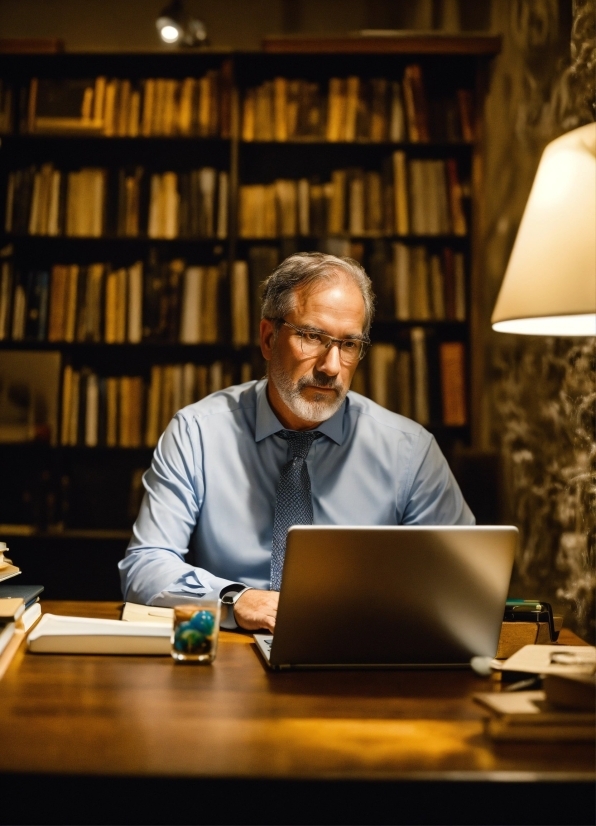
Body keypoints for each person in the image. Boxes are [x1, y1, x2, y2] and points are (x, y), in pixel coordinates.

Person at [119, 252, 474, 632]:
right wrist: (238, 599)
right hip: (232, 656)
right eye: (312, 337)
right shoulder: (197, 433)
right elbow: (145, 566)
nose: (331, 366)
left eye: (349, 344)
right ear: (269, 338)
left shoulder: (410, 451)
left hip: (359, 656)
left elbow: (464, 579)